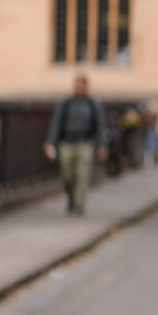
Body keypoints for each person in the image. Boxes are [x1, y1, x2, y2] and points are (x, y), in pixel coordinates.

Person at [44, 74, 108, 216]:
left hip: (85, 143)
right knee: (67, 174)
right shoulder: (66, 104)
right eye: (77, 85)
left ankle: (79, 205)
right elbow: (56, 124)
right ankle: (71, 199)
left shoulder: (92, 104)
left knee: (82, 175)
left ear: (86, 87)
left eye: (82, 85)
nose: (79, 88)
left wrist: (102, 145)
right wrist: (50, 143)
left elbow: (100, 126)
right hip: (67, 143)